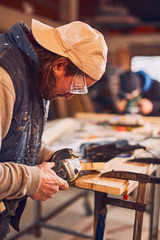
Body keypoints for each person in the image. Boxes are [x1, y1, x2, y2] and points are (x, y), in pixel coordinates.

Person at [0, 19, 107, 239]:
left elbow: (15, 134)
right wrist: (32, 180)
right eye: (77, 85)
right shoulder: (4, 80)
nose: (70, 96)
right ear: (59, 65)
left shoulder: (39, 75)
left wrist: (49, 156)